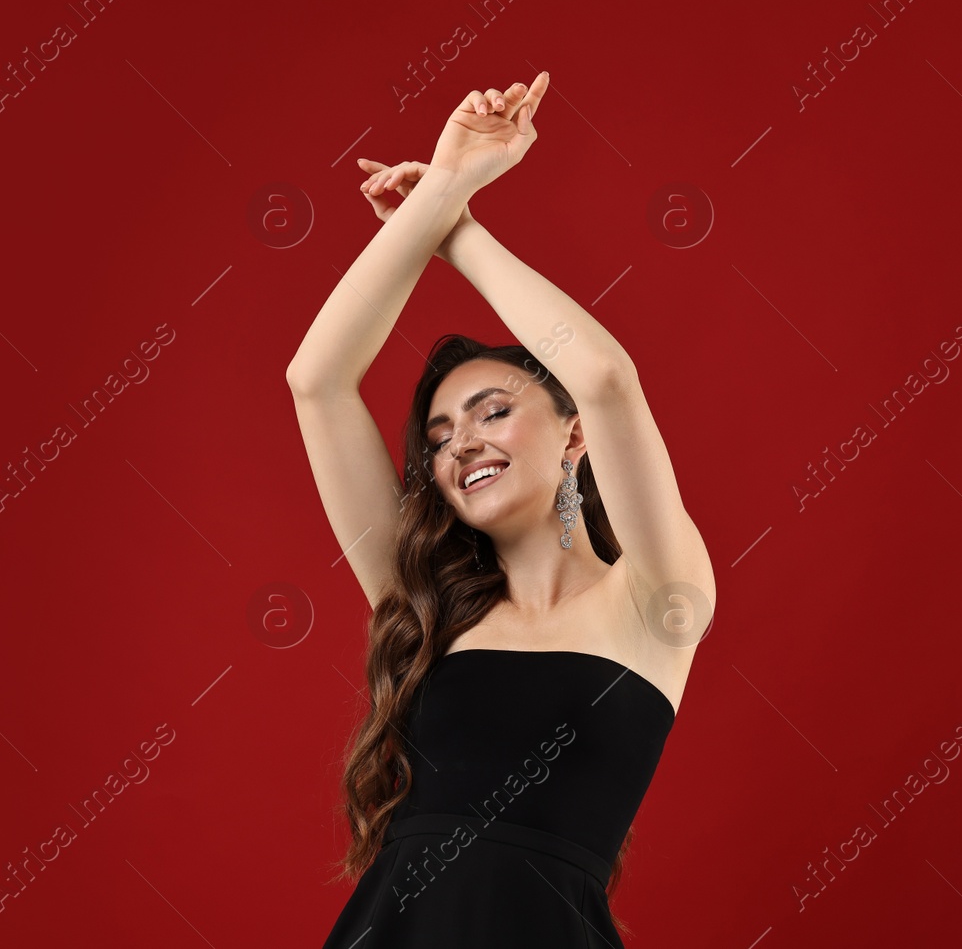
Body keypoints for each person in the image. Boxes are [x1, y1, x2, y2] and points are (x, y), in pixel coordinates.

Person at [287, 72, 715, 946]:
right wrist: (441, 185)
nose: (462, 444)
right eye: (439, 436)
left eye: (493, 410)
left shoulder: (656, 600)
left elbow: (602, 378)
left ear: (571, 438)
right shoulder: (429, 609)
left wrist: (462, 232)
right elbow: (317, 382)